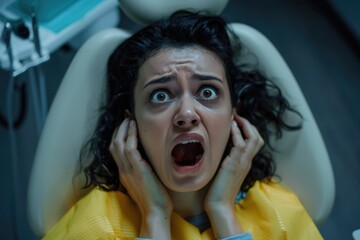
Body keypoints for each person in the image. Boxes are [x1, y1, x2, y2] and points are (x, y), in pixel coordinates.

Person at [43, 11, 323, 239]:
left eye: (208, 92)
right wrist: (154, 217)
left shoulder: (281, 216)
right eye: (160, 95)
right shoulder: (94, 226)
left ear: (233, 113)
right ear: (132, 122)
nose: (187, 113)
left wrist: (222, 212)